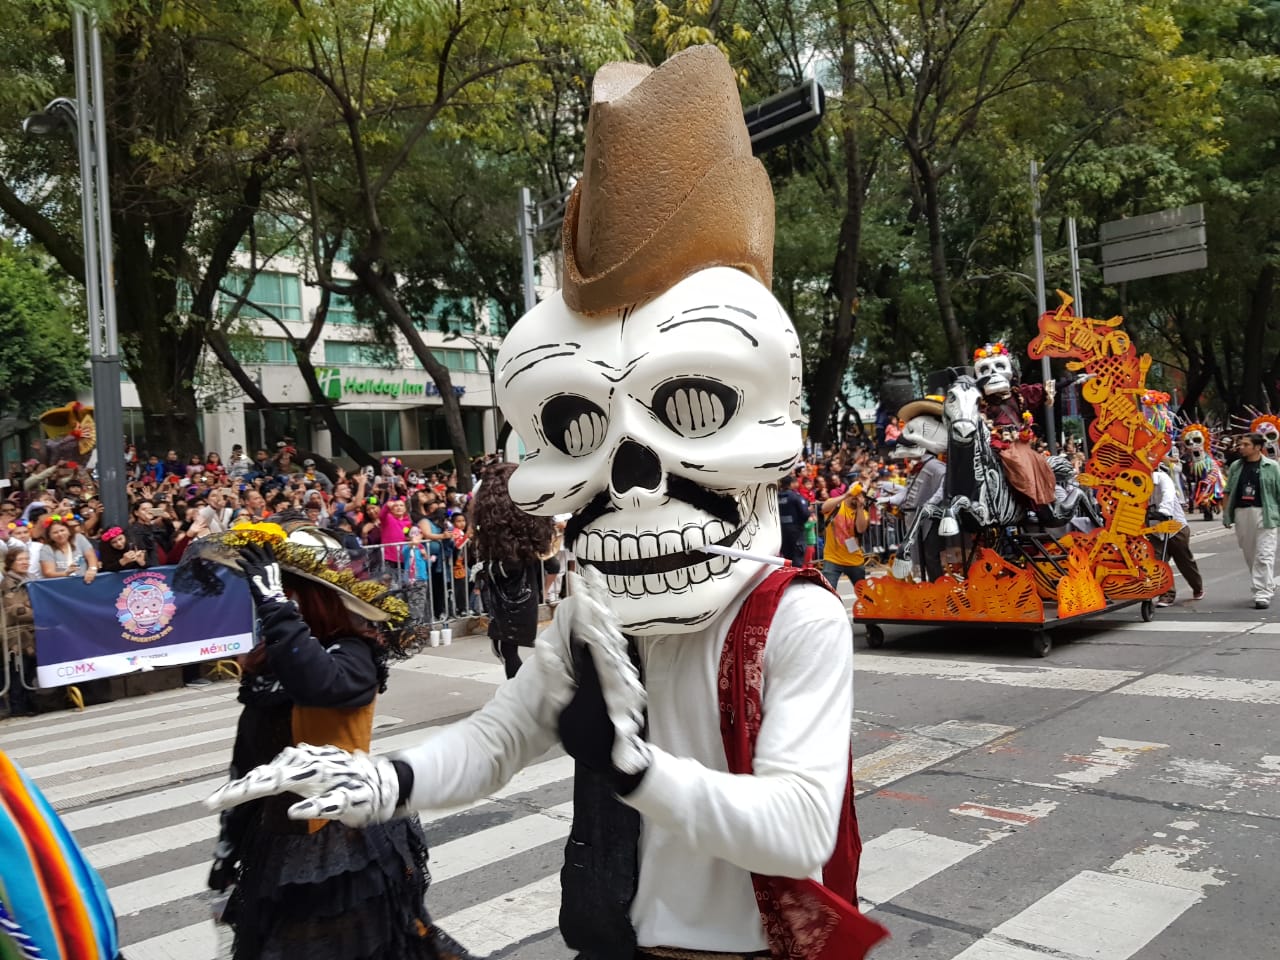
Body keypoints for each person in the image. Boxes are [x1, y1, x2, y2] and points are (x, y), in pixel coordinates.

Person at [186, 522, 470, 960]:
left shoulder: (354, 654)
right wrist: (229, 846)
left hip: (343, 848)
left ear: (314, 598)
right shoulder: (272, 661)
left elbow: (320, 684)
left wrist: (277, 606)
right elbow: (249, 761)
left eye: (289, 590)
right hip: (279, 844)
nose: (266, 603)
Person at [471, 462, 553, 679]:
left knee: (505, 649)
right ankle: (519, 689)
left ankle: (519, 690)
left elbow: (510, 566)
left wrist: (484, 569)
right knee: (504, 648)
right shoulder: (518, 525)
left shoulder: (506, 529)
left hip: (513, 597)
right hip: (516, 594)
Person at [1223, 432, 1280, 609]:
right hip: (1242, 513)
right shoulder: (1235, 466)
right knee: (1251, 554)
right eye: (1241, 444)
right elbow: (1228, 491)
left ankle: (1262, 593)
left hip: (1266, 513)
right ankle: (1266, 584)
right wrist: (1226, 514)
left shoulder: (1272, 467)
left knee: (1264, 554)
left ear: (1257, 447)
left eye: (1246, 444)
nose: (1241, 447)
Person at [1148, 458, 1204, 606]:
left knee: (1184, 560)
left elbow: (1168, 494)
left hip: (1175, 527)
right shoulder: (1134, 482)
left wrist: (1163, 510)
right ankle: (1167, 594)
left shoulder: (1162, 478)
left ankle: (1197, 586)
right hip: (1154, 529)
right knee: (1159, 562)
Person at [821, 481, 871, 592]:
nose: (857, 497)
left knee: (864, 594)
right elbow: (824, 508)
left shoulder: (863, 512)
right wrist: (846, 495)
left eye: (861, 494)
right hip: (832, 558)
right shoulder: (836, 505)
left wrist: (860, 507)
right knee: (828, 593)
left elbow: (860, 529)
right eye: (856, 493)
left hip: (854, 560)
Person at [38, 518, 99, 583]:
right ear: (49, 536)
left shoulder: (79, 538)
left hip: (84, 581)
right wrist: (65, 573)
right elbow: (48, 573)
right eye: (55, 532)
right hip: (61, 585)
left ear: (69, 531)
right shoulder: (46, 549)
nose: (60, 534)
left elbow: (91, 557)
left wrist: (92, 569)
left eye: (62, 530)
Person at [776, 475, 809, 566]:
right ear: (791, 484)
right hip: (795, 530)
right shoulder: (795, 497)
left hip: (782, 531)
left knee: (787, 555)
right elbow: (805, 513)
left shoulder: (776, 497)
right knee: (797, 555)